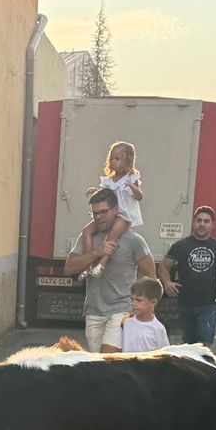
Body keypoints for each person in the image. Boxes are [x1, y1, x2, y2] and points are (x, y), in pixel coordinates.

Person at [64, 187, 154, 352]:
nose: (99, 217)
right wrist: (95, 253)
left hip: (121, 309)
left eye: (103, 212)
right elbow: (69, 268)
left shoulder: (133, 240)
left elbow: (150, 275)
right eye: (95, 213)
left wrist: (145, 308)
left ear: (115, 210)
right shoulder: (88, 237)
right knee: (99, 365)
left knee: (107, 358)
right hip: (94, 311)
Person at [159, 206, 216, 346]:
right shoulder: (181, 245)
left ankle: (203, 367)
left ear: (212, 224)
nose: (202, 224)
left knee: (203, 346)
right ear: (193, 222)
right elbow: (164, 266)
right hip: (184, 303)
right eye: (199, 220)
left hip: (208, 303)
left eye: (206, 221)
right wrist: (167, 283)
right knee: (188, 345)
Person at [84, 141, 144, 279]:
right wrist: (96, 191)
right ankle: (89, 261)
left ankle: (102, 264)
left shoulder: (131, 178)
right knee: (87, 231)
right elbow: (104, 193)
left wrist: (133, 187)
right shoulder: (109, 180)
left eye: (117, 159)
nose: (113, 162)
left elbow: (139, 196)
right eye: (111, 158)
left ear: (127, 161)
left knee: (112, 236)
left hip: (124, 215)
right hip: (110, 214)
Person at [118, 276, 170, 353]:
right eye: (132, 299)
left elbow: (164, 353)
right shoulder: (126, 322)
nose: (133, 303)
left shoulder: (158, 328)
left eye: (139, 300)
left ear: (153, 302)